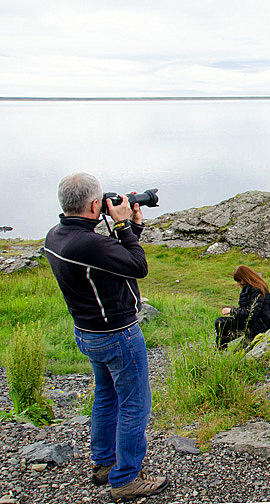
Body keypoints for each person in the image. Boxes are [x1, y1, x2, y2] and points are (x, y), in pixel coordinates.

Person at [43, 173, 169, 501]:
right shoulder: (89, 244)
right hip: (117, 335)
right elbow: (137, 266)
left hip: (88, 332)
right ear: (95, 204)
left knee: (106, 395)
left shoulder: (56, 236)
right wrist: (125, 227)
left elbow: (115, 262)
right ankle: (125, 478)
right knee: (134, 404)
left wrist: (131, 228)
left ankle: (103, 462)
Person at [215, 265, 270, 350]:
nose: (239, 283)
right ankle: (221, 349)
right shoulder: (247, 288)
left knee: (222, 324)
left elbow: (251, 312)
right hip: (250, 322)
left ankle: (221, 350)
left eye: (240, 280)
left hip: (259, 325)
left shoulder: (257, 290)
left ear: (245, 277)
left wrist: (231, 311)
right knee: (220, 323)